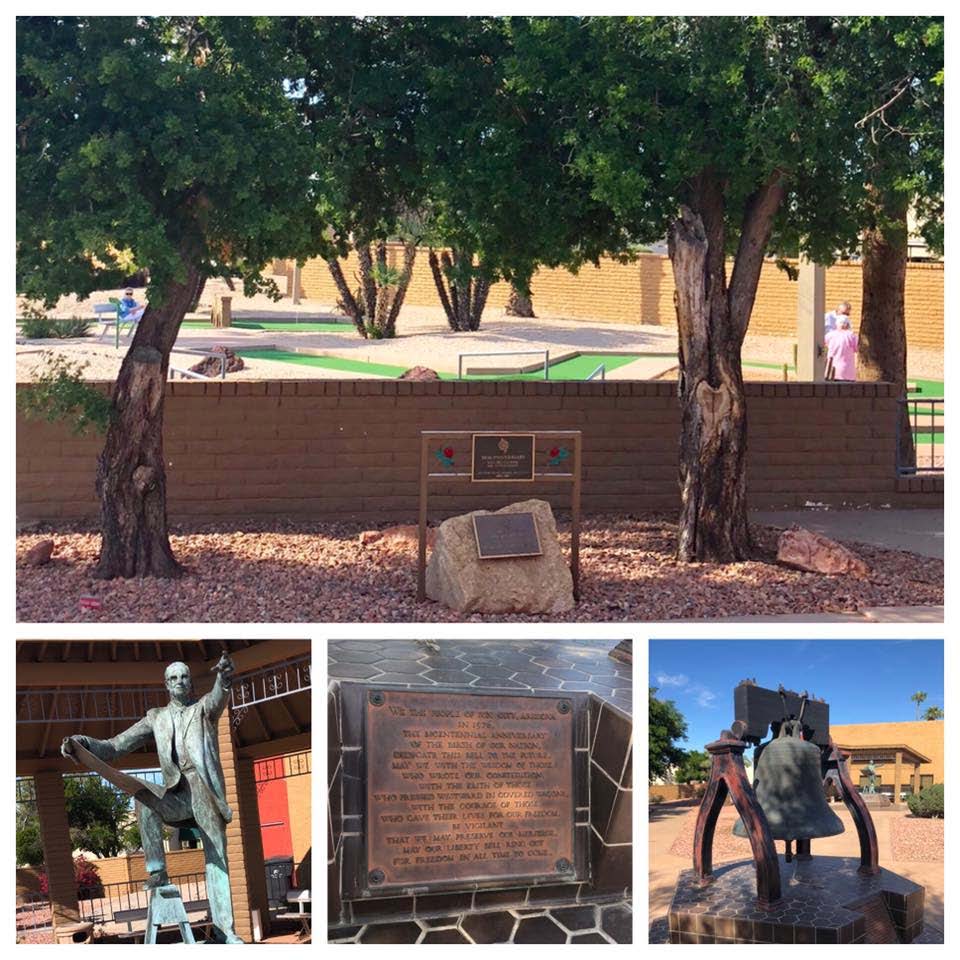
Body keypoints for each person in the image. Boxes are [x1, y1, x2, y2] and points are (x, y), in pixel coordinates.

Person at [62, 653, 243, 944]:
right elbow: (114, 747)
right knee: (144, 797)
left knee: (217, 859)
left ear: (190, 681)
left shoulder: (203, 710)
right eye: (173, 678)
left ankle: (226, 932)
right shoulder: (155, 718)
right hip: (176, 795)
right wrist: (83, 743)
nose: (179, 682)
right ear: (166, 685)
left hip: (203, 791)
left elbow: (218, 697)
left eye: (184, 676)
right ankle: (157, 872)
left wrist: (223, 678)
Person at [824, 315, 858, 381]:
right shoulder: (852, 336)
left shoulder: (829, 335)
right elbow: (858, 349)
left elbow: (822, 345)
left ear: (837, 324)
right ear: (847, 325)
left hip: (831, 371)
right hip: (848, 373)